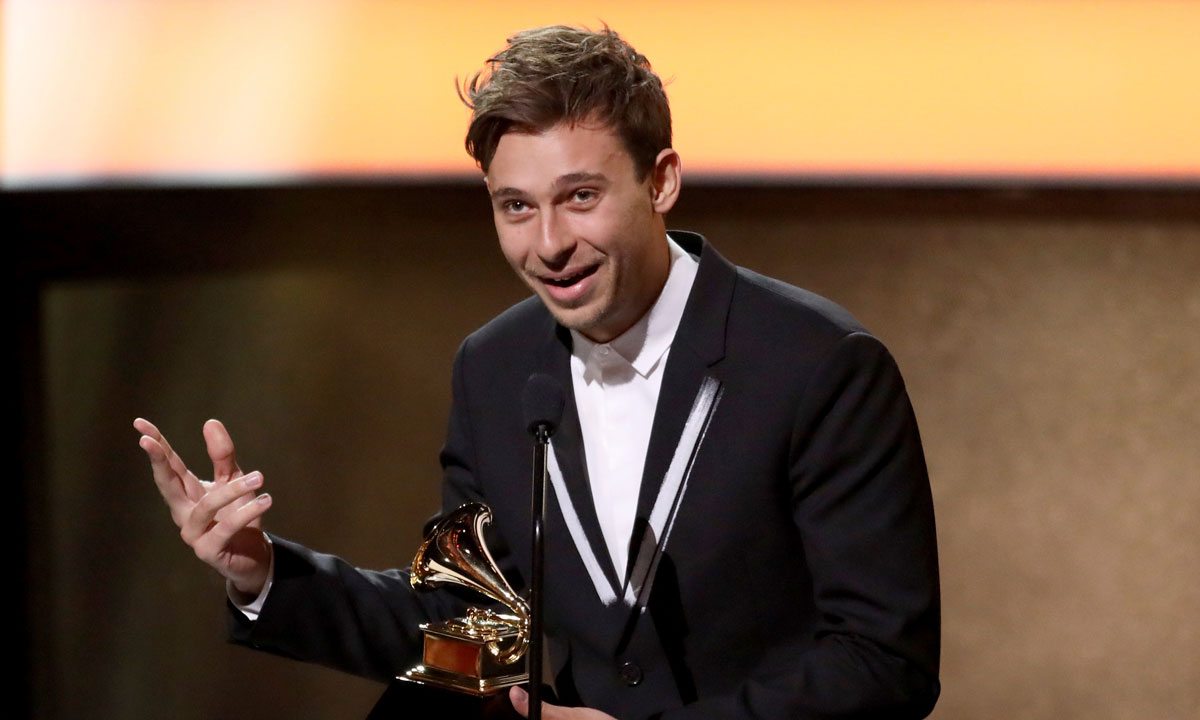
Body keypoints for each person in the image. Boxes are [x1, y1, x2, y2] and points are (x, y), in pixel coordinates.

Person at [136, 25, 940, 720]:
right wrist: (266, 571)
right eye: (515, 206)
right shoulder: (496, 367)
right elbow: (472, 635)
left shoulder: (819, 365)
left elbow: (883, 663)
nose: (546, 244)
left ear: (660, 180)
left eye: (579, 196)